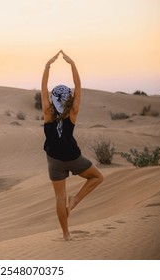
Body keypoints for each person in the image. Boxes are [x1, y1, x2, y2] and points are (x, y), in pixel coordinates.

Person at [41, 50, 104, 241]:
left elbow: (43, 87)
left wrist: (47, 66)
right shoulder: (73, 112)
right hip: (73, 157)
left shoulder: (47, 111)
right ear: (69, 98)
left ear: (53, 98)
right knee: (97, 177)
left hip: (54, 160)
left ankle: (66, 234)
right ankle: (76, 199)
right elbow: (78, 85)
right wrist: (72, 64)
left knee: (60, 198)